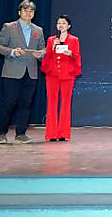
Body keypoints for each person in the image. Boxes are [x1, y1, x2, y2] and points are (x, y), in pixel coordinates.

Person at [0, 0, 46, 144]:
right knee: (9, 103)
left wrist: (41, 54)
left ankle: (21, 133)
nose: (28, 13)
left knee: (26, 104)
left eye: (31, 11)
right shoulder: (9, 27)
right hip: (12, 71)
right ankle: (1, 133)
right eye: (25, 10)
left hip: (31, 72)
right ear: (19, 12)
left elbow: (43, 49)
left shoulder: (38, 30)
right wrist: (12, 52)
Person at [41, 14, 81, 142]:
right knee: (52, 103)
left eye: (63, 23)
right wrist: (52, 47)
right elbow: (46, 57)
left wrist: (71, 54)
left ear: (69, 26)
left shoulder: (74, 40)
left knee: (65, 103)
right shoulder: (51, 39)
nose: (61, 25)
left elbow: (77, 56)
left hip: (67, 74)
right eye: (59, 23)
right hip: (52, 74)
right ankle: (52, 133)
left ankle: (63, 133)